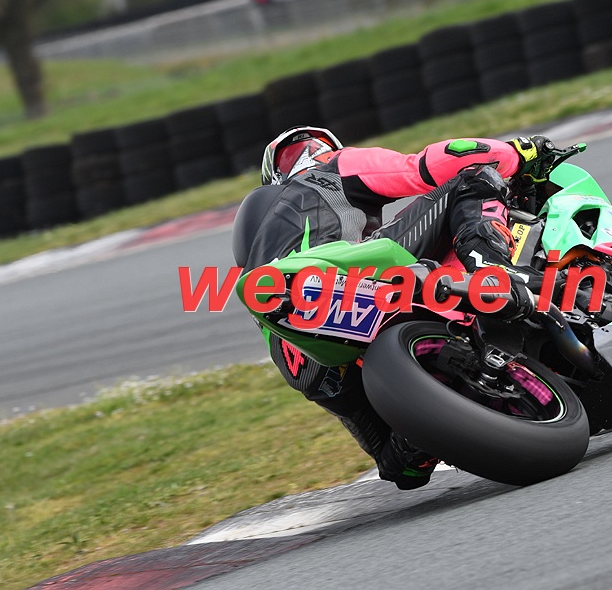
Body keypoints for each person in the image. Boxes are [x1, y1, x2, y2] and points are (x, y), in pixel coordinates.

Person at [233, 125, 559, 490]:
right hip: (343, 272)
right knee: (474, 178)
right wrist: (518, 152)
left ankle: (417, 433)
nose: (311, 155)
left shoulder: (260, 246)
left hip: (300, 354)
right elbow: (432, 163)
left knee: (400, 468)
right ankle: (494, 274)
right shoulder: (330, 169)